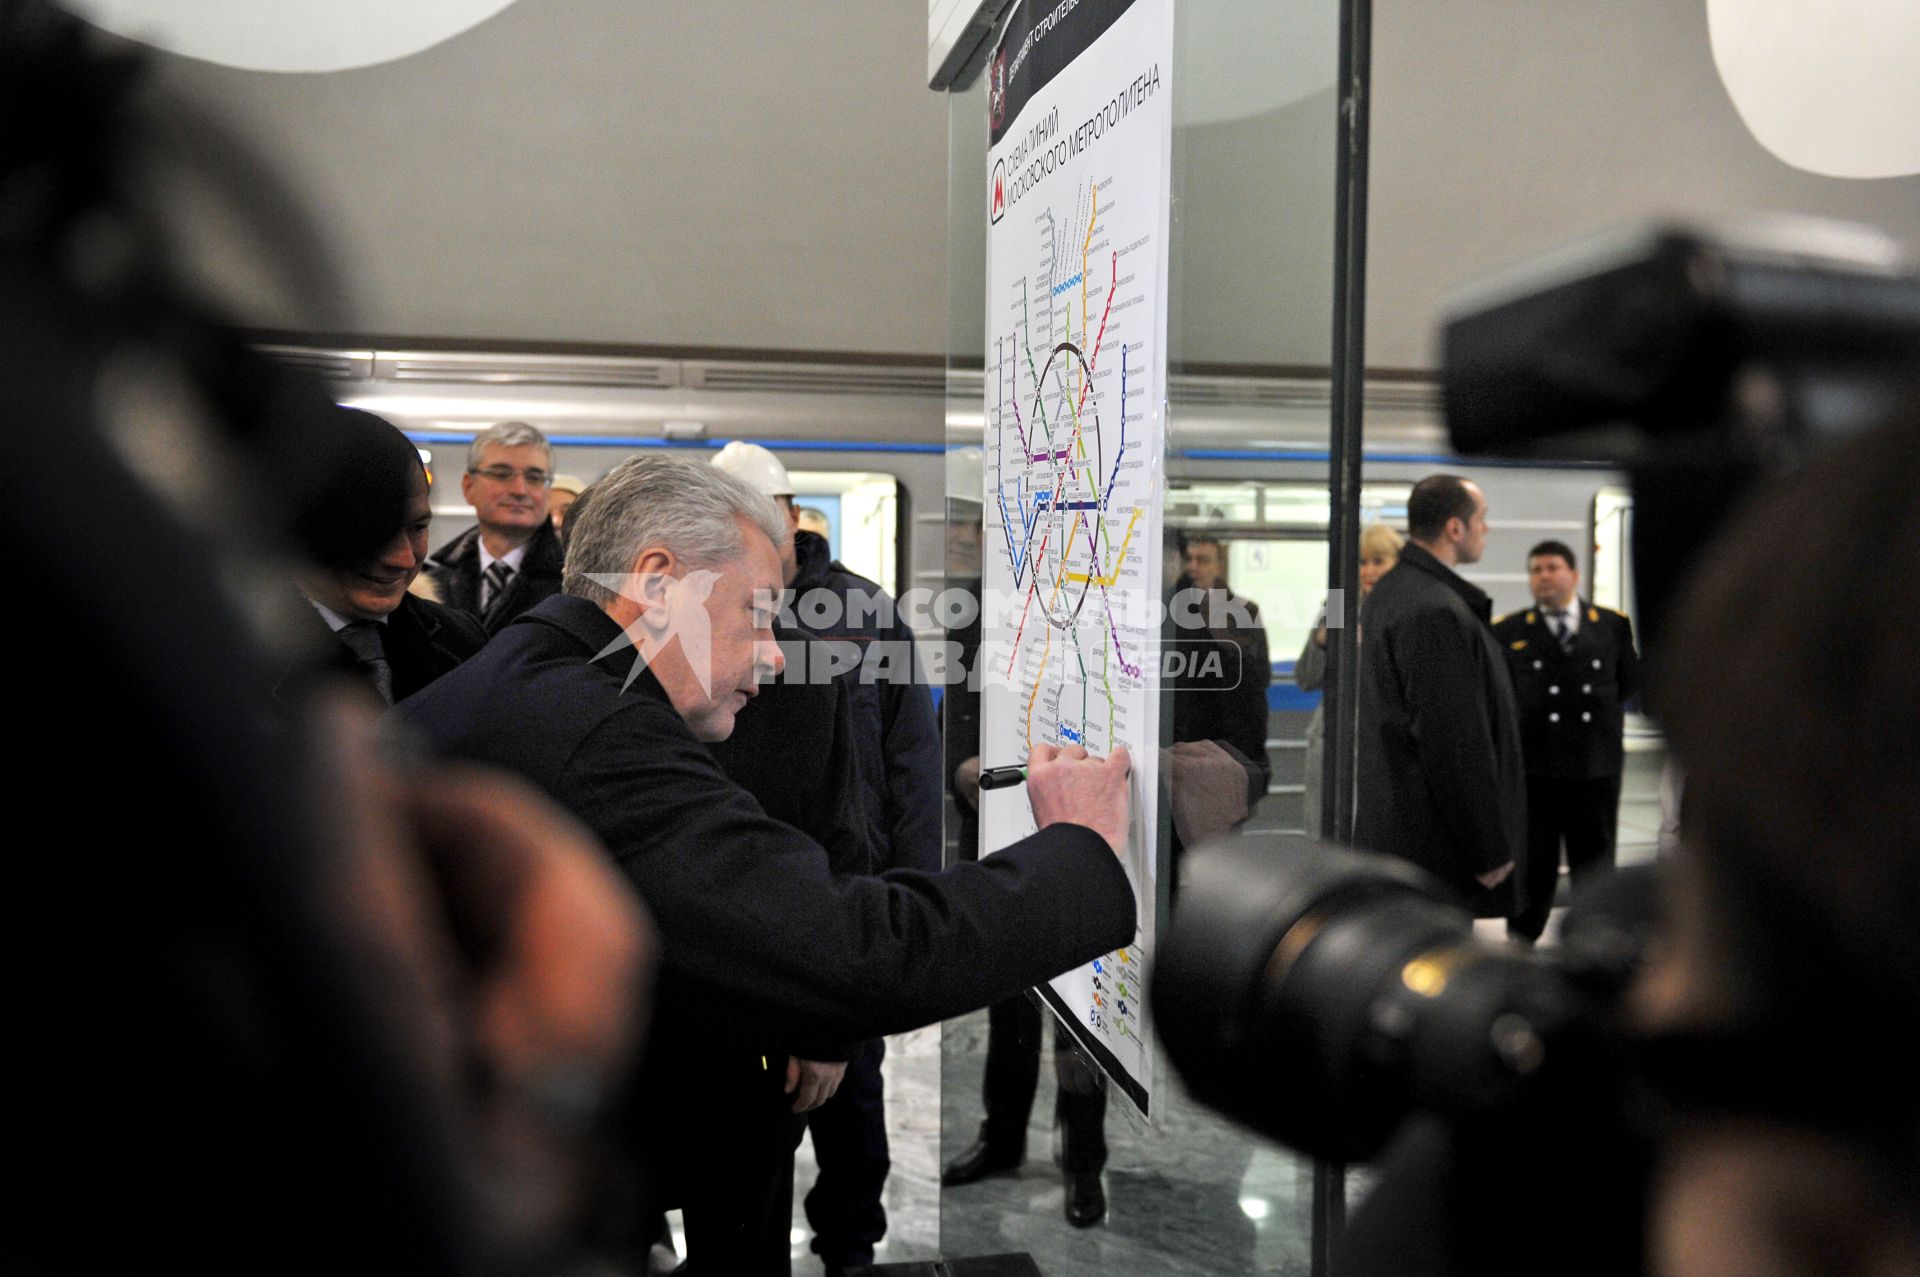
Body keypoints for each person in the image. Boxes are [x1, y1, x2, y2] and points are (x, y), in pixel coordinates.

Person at [395, 455, 1135, 1273]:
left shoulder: (521, 679)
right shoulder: (601, 735)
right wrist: (1079, 849)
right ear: (658, 581)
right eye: (757, 613)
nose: (778, 655)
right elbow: (863, 949)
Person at [711, 441, 944, 1272]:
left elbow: (914, 756)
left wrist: (915, 893)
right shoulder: (709, 604)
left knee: (856, 1092)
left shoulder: (862, 611)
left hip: (855, 885)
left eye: (759, 512)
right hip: (748, 892)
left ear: (790, 513)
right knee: (752, 1101)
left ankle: (849, 1244)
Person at [1353, 475, 1525, 917]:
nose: (1486, 530)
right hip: (1434, 851)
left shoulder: (1391, 593)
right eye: (1481, 520)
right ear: (1454, 529)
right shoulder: (1435, 610)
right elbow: (1452, 740)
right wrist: (1487, 848)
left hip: (1401, 835)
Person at [1492, 540, 1641, 943]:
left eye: (1552, 568)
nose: (1544, 577)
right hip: (1537, 770)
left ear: (1574, 575)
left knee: (1593, 865)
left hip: (1595, 768)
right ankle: (1521, 944)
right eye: (1536, 570)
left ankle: (1598, 944)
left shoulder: (1610, 625)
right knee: (1534, 866)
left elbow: (1627, 683)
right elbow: (1500, 695)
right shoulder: (1509, 630)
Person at [290, 407, 486, 705]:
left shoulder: (462, 642)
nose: (404, 559)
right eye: (376, 530)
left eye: (418, 527)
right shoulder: (221, 653)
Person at [1296, 523, 1403, 836]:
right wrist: (1320, 641)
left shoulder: (1408, 610)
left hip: (1383, 744)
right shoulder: (1339, 607)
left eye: (1378, 561)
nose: (1368, 570)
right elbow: (1305, 678)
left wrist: (1371, 647)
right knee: (1326, 833)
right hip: (1333, 741)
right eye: (1362, 562)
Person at [425, 420, 565, 634]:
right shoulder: (430, 584)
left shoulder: (574, 583)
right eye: (501, 474)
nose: (520, 489)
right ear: (468, 486)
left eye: (535, 477)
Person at [1179, 534, 1275, 770]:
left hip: (1234, 742)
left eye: (1202, 560)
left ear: (1219, 567)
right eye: (1189, 559)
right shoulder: (1173, 614)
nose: (1193, 566)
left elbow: (1260, 675)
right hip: (1186, 744)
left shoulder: (1245, 612)